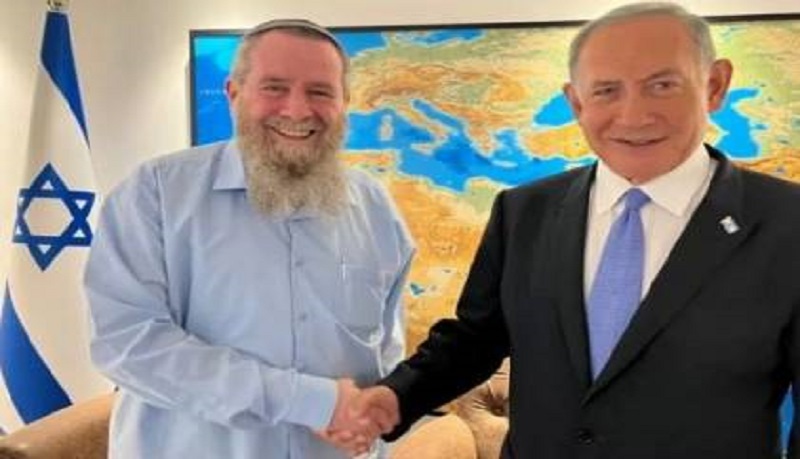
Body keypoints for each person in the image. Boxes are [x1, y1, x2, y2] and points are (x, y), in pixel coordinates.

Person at [346, 2, 800, 458]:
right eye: (606, 90)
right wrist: (396, 397)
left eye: (662, 85)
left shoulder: (787, 223)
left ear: (715, 85)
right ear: (576, 102)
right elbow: (476, 339)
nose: (633, 115)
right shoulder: (524, 212)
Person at [84, 19, 414, 458]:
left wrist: (369, 417)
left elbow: (385, 349)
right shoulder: (155, 194)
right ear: (234, 93)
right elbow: (129, 343)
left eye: (320, 92)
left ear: (345, 103)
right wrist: (313, 402)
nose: (297, 110)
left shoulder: (375, 208)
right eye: (275, 87)